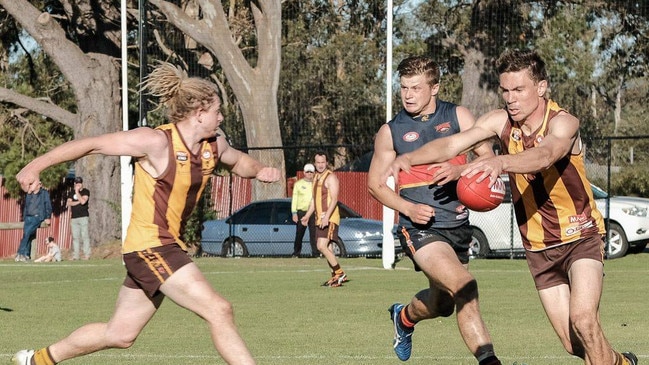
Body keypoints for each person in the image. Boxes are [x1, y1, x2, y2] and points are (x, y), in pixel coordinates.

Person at [12, 62, 280, 365]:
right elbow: (92, 144)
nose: (221, 117)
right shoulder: (155, 142)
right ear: (200, 112)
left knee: (120, 334)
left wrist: (260, 171)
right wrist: (35, 166)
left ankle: (36, 360)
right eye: (217, 111)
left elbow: (238, 162)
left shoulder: (214, 145)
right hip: (150, 245)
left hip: (163, 247)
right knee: (219, 309)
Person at [384, 50, 637, 365]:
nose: (510, 98)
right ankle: (621, 362)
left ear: (541, 88)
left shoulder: (563, 122)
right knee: (575, 345)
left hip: (580, 236)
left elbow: (545, 155)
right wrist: (411, 157)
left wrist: (498, 161)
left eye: (519, 90)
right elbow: (452, 145)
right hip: (539, 248)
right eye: (505, 90)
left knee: (584, 321)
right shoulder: (499, 120)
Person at [367, 55, 501, 364]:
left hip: (458, 225)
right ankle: (490, 361)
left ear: (435, 87)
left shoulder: (459, 116)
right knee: (465, 286)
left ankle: (403, 318)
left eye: (416, 88)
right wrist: (408, 209)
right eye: (403, 88)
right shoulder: (391, 131)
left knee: (443, 304)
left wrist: (460, 172)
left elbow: (487, 156)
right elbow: (375, 185)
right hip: (420, 228)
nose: (408, 95)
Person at [301, 152, 348, 287]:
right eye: (318, 162)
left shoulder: (331, 177)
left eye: (323, 162)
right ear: (314, 163)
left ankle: (339, 273)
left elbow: (334, 199)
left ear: (326, 163)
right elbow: (314, 201)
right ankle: (335, 277)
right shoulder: (316, 178)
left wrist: (327, 216)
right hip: (319, 219)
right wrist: (307, 216)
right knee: (328, 249)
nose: (320, 165)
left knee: (321, 246)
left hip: (329, 218)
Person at [15, 181, 52, 262]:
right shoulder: (29, 194)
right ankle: (26, 254)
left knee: (27, 234)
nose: (31, 185)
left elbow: (48, 205)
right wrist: (24, 217)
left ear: (39, 185)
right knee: (28, 235)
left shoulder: (44, 193)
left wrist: (48, 217)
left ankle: (20, 253)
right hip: (28, 217)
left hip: (37, 217)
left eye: (33, 184)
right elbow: (26, 206)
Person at [291, 163, 317, 258]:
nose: (309, 173)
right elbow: (294, 200)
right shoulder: (298, 184)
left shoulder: (316, 184)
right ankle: (296, 252)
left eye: (311, 172)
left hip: (313, 212)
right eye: (307, 172)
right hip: (301, 212)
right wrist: (294, 213)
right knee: (299, 233)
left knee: (314, 233)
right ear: (304, 173)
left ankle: (315, 253)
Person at [66, 176, 91, 260]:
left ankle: (86, 254)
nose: (78, 185)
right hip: (74, 218)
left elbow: (83, 201)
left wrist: (77, 192)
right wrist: (78, 201)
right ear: (74, 184)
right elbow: (69, 203)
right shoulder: (71, 192)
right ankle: (75, 255)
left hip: (83, 216)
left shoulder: (85, 191)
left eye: (79, 183)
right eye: (77, 183)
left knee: (85, 236)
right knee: (75, 237)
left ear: (82, 183)